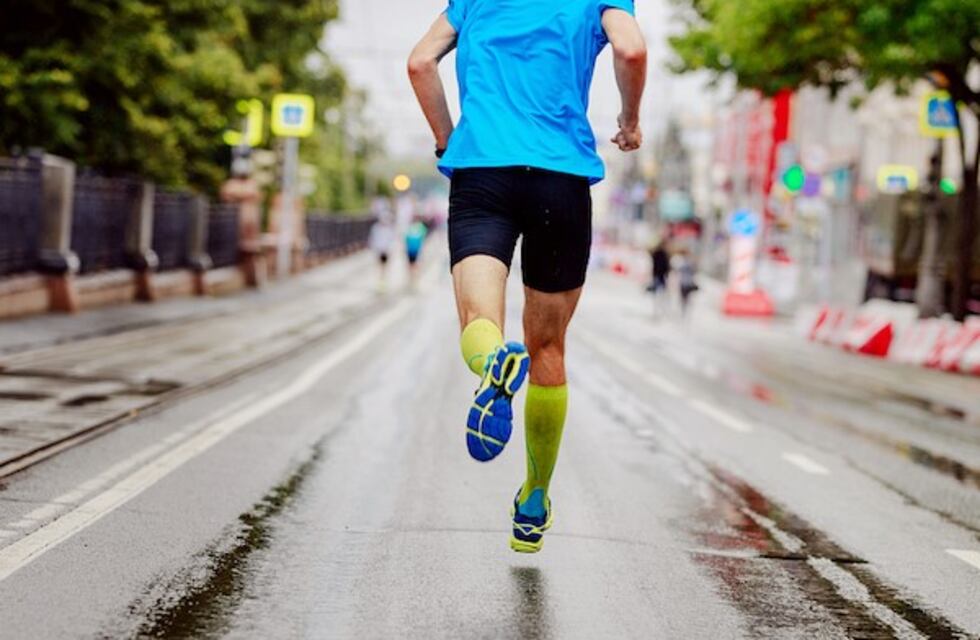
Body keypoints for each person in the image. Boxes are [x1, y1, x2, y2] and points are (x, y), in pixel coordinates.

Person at [409, 0, 646, 553]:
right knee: (549, 349)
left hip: (482, 174)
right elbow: (631, 48)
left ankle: (493, 362)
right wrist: (630, 122)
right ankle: (534, 502)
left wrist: (449, 140)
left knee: (478, 318)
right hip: (561, 181)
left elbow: (421, 63)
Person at [367, 208, 395, 292]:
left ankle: (383, 281)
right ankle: (380, 281)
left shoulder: (389, 228)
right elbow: (372, 238)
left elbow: (392, 240)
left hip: (386, 250)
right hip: (379, 250)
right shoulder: (376, 227)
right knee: (380, 266)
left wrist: (390, 249)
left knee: (384, 267)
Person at [404, 217, 428, 288]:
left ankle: (414, 280)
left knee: (414, 265)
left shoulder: (420, 228)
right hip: (411, 249)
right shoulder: (411, 227)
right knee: (411, 265)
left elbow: (423, 238)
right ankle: (412, 279)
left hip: (416, 250)